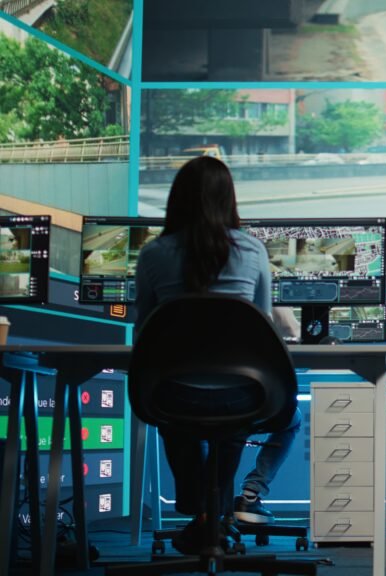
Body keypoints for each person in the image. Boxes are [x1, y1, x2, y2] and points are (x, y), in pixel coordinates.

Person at [134, 156, 272, 555]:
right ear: (229, 199)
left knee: (175, 417)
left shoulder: (153, 254)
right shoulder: (252, 250)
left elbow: (144, 328)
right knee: (236, 421)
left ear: (175, 200)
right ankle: (215, 516)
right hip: (241, 395)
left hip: (174, 393)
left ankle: (202, 512)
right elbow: (261, 325)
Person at [232, 308, 303, 524]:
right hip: (250, 404)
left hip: (189, 403)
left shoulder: (178, 299)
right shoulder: (269, 304)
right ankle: (251, 493)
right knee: (293, 418)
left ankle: (201, 504)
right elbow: (297, 339)